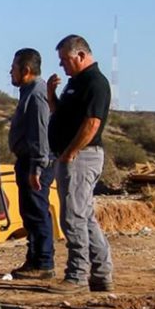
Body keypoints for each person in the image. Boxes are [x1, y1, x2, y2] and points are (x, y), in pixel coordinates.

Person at [47, 35, 113, 293]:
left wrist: (70, 153)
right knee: (84, 216)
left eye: (65, 59)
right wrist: (51, 95)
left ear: (81, 55)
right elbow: (61, 115)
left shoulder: (95, 83)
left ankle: (77, 275)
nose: (62, 65)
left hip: (81, 157)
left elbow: (92, 123)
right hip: (72, 155)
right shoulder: (75, 83)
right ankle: (102, 274)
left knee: (73, 217)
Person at [7, 49, 55, 279]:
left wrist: (37, 167)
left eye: (14, 68)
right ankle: (34, 259)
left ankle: (44, 263)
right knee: (29, 211)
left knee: (36, 211)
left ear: (26, 70)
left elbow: (40, 134)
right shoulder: (29, 92)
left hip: (35, 163)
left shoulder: (36, 95)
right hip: (28, 161)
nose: (10, 72)